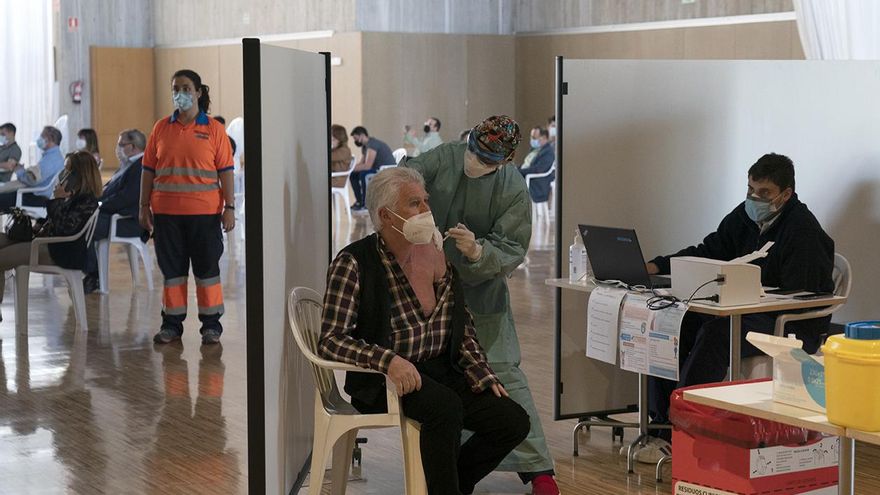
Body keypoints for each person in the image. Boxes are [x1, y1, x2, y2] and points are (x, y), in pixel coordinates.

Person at [320, 167, 530, 495]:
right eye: (414, 204)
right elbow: (331, 341)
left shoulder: (434, 253)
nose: (426, 211)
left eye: (426, 201)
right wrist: (387, 361)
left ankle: (452, 484)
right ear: (385, 216)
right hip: (384, 379)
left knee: (512, 420)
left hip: (438, 367)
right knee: (444, 408)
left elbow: (460, 324)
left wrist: (481, 372)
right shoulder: (354, 263)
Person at [402, 115, 560, 495]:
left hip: (480, 293)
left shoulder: (511, 187)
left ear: (504, 161)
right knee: (445, 380)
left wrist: (477, 251)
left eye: (486, 160)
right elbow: (405, 177)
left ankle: (538, 471)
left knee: (504, 376)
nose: (474, 162)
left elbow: (511, 247)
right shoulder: (446, 157)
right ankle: (453, 472)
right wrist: (418, 219)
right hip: (427, 288)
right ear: (468, 139)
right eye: (473, 151)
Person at [645, 153, 834, 451]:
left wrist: (750, 295)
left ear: (786, 194)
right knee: (674, 320)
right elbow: (709, 250)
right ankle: (660, 420)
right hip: (742, 310)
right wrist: (658, 265)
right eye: (750, 190)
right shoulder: (744, 217)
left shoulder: (803, 231)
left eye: (764, 193)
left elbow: (803, 298)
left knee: (719, 333)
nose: (754, 198)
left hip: (790, 322)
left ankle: (683, 423)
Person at [141, 69, 235, 346]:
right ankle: (171, 325)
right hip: (167, 215)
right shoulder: (160, 128)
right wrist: (143, 205)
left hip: (204, 216)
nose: (179, 93)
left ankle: (211, 326)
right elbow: (147, 170)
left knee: (207, 273)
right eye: (175, 88)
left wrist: (229, 207)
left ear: (198, 92)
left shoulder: (214, 130)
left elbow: (226, 171)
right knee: (173, 274)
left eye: (185, 87)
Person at [0, 151, 101, 318]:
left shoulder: (86, 201)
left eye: (68, 170)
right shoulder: (72, 195)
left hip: (60, 252)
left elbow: (64, 229)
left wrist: (58, 200)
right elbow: (49, 222)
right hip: (46, 243)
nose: (64, 174)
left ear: (79, 174)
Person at [82, 129, 149, 293]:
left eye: (121, 145)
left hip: (128, 222)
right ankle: (91, 271)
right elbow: (109, 191)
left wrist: (98, 205)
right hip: (112, 215)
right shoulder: (127, 165)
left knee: (82, 225)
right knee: (78, 218)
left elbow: (126, 198)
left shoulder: (141, 167)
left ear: (132, 146)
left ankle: (94, 274)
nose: (117, 149)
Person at [0, 125, 65, 208]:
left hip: (36, 197)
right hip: (34, 193)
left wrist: (20, 171)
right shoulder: (53, 156)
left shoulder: (52, 159)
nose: (39, 139)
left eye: (42, 136)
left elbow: (32, 180)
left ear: (49, 139)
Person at [349, 126, 394, 210]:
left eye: (355, 138)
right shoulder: (365, 147)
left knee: (364, 174)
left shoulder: (372, 144)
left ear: (362, 135)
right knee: (353, 174)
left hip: (385, 169)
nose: (355, 141)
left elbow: (367, 166)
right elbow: (361, 164)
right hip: (376, 169)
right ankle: (359, 202)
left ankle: (366, 203)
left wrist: (350, 169)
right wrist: (350, 169)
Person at [518, 127, 555, 203]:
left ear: (544, 138)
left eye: (534, 138)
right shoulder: (534, 149)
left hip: (536, 184)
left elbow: (538, 169)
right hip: (524, 177)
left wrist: (519, 171)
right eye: (531, 137)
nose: (532, 140)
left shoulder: (548, 152)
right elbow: (527, 165)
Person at [330, 124, 353, 188]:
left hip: (338, 179)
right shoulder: (336, 149)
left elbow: (329, 157)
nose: (331, 141)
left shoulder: (344, 150)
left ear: (339, 139)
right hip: (334, 177)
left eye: (333, 139)